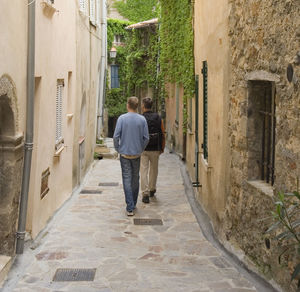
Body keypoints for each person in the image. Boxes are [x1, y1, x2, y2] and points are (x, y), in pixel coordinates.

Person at [113, 96, 149, 216]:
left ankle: (129, 207)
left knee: (127, 179)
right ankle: (133, 203)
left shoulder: (122, 119)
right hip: (136, 154)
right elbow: (146, 138)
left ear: (128, 105)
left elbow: (115, 136)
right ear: (137, 106)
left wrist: (118, 148)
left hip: (124, 154)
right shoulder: (142, 119)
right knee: (135, 179)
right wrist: (141, 148)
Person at [140, 97, 165, 204]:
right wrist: (162, 147)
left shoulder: (140, 118)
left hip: (144, 148)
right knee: (154, 170)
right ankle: (152, 189)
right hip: (155, 148)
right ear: (151, 106)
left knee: (143, 170)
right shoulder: (158, 117)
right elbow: (162, 133)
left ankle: (145, 193)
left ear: (143, 106)